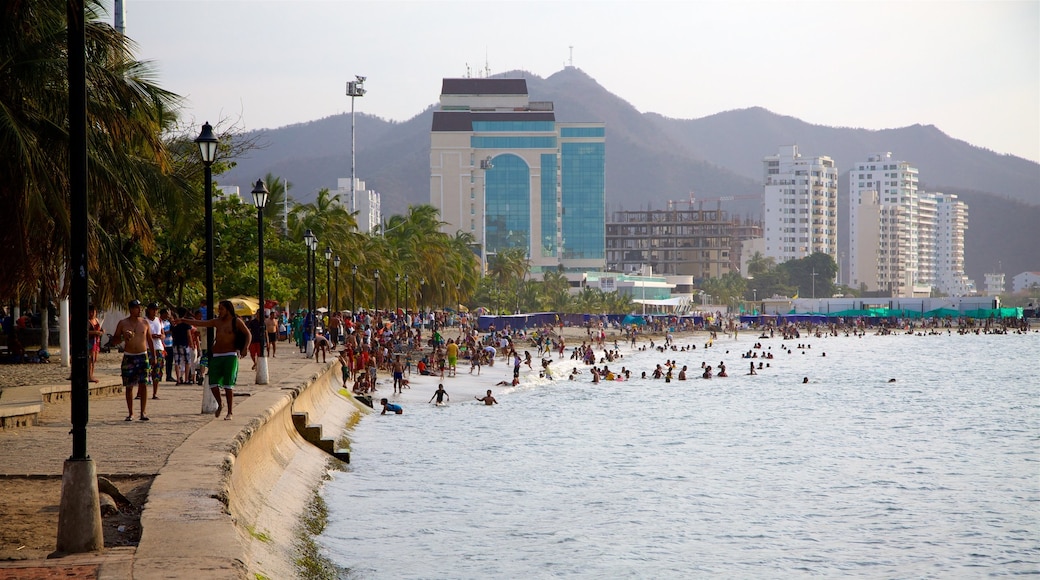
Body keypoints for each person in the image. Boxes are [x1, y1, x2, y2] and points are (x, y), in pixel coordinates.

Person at [175, 299, 250, 420]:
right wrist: (183, 320)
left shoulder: (236, 321)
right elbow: (201, 323)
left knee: (228, 384)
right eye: (219, 309)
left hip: (230, 355)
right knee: (213, 383)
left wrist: (245, 348)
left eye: (221, 309)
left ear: (228, 309)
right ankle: (220, 403)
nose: (219, 311)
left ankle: (230, 412)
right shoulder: (217, 322)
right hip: (217, 355)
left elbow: (248, 334)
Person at [107, 300, 154, 421]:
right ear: (131, 309)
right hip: (129, 356)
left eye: (139, 308)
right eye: (136, 308)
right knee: (129, 385)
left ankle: (143, 412)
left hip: (142, 355)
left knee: (143, 384)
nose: (138, 310)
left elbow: (149, 340)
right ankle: (131, 413)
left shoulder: (144, 323)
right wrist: (123, 336)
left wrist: (153, 356)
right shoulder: (123, 323)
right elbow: (114, 341)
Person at [145, 303, 166, 399]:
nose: (155, 312)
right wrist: (151, 336)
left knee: (157, 371)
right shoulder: (145, 321)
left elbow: (163, 333)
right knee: (146, 370)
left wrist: (161, 336)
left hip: (159, 347)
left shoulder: (159, 320)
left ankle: (155, 393)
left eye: (156, 310)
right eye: (153, 309)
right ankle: (141, 392)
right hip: (148, 347)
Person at [86, 305, 103, 383]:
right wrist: (95, 332)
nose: (92, 313)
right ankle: (89, 375)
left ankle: (91, 374)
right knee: (90, 359)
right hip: (90, 342)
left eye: (93, 312)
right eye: (90, 312)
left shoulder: (96, 320)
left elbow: (99, 329)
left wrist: (101, 331)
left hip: (96, 341)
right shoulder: (88, 322)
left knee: (94, 359)